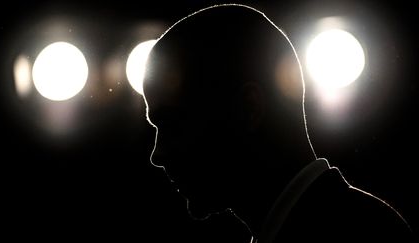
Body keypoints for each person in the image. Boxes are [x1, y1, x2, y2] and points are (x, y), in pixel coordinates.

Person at [142, 4, 416, 243]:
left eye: (173, 124)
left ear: (247, 109)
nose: (158, 154)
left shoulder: (358, 232)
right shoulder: (348, 222)